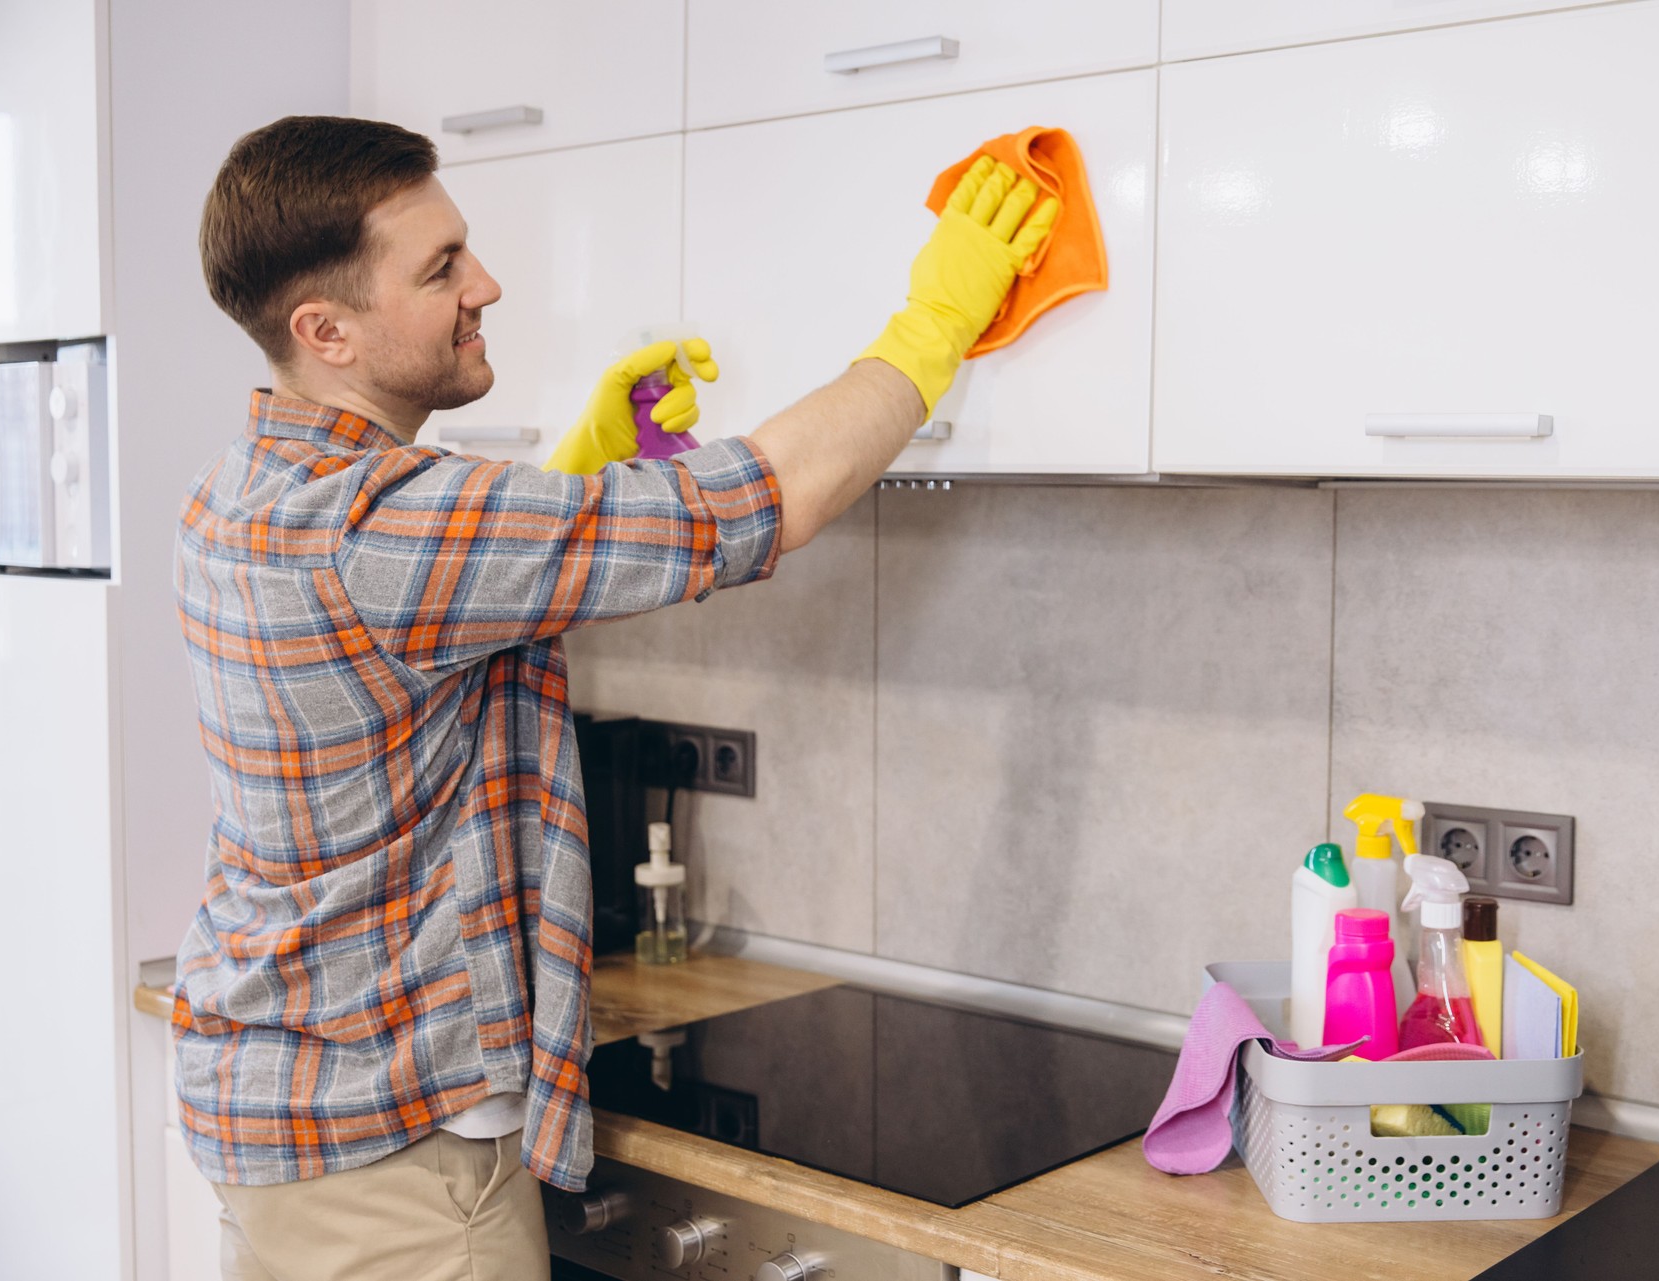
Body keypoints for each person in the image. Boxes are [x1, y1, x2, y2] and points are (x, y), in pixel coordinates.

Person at [171, 114, 1058, 1280]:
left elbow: (433, 603)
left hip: (283, 1101)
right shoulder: (386, 527)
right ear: (324, 329)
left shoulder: (246, 489)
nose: (484, 284)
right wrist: (935, 324)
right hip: (399, 1162)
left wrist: (575, 482)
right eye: (440, 269)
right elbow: (756, 504)